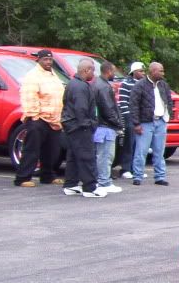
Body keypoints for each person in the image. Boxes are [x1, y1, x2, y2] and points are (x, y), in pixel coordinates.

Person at [14, 49, 66, 187]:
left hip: (53, 119)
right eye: (45, 59)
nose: (48, 62)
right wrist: (34, 116)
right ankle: (23, 178)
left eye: (50, 60)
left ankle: (47, 175)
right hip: (38, 118)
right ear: (39, 60)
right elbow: (29, 96)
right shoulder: (33, 76)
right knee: (32, 149)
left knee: (52, 150)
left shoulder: (53, 75)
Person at [61, 58, 105, 198]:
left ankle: (71, 184)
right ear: (86, 70)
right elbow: (81, 108)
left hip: (71, 125)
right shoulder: (80, 86)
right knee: (87, 156)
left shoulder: (72, 83)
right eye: (93, 69)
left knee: (73, 156)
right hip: (80, 126)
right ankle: (90, 187)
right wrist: (89, 124)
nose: (95, 73)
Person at [129, 61, 173, 186]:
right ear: (153, 71)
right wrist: (136, 123)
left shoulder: (163, 85)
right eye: (161, 70)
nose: (163, 73)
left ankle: (160, 176)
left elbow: (169, 100)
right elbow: (134, 104)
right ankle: (137, 176)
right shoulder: (140, 85)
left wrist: (168, 116)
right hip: (146, 122)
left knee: (159, 151)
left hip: (161, 121)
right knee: (141, 151)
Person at [91, 61, 124, 193]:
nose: (114, 74)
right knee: (106, 155)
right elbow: (108, 108)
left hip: (100, 125)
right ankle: (104, 181)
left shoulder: (98, 84)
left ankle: (101, 179)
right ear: (108, 71)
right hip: (105, 126)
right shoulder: (104, 87)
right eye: (113, 71)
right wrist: (118, 123)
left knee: (101, 154)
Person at [116, 61, 145, 179]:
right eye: (140, 71)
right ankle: (125, 169)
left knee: (139, 145)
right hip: (130, 118)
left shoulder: (144, 84)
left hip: (141, 118)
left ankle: (136, 169)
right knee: (129, 144)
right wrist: (128, 118)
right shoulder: (126, 84)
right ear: (134, 72)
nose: (143, 73)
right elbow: (122, 102)